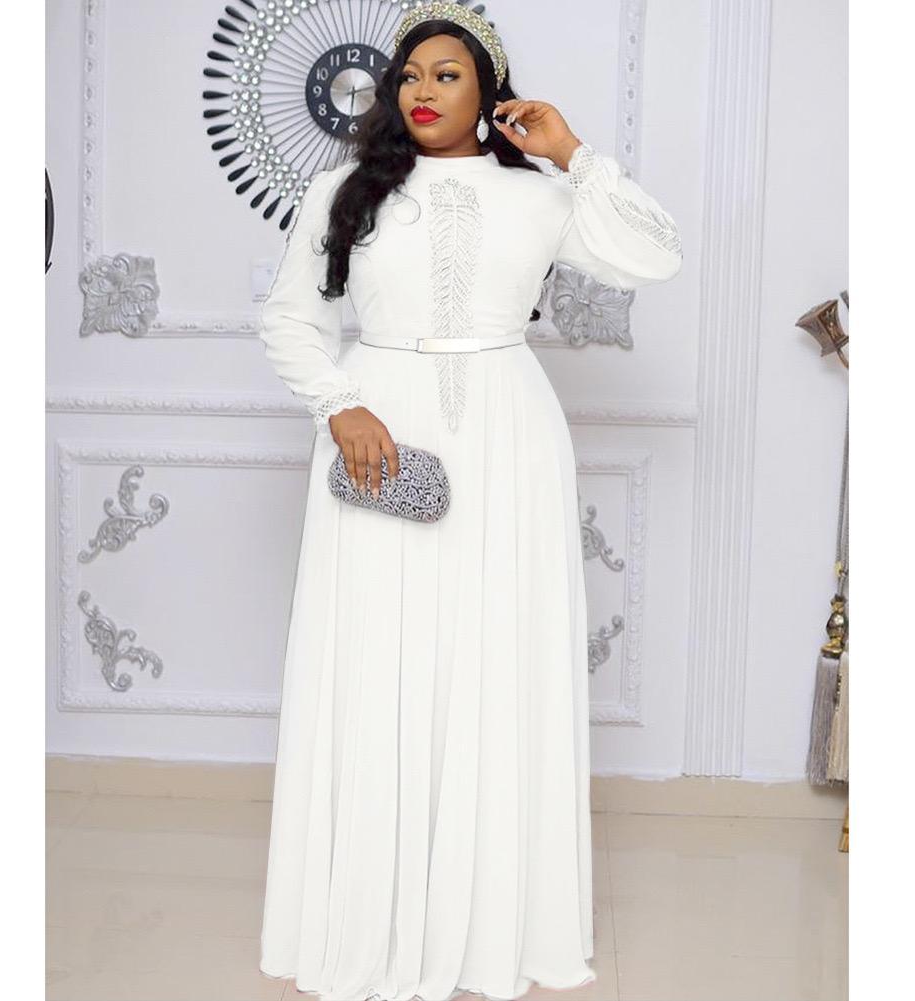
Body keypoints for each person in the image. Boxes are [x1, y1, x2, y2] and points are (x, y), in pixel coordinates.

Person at [257, 4, 683, 1000]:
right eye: (409, 74)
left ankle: (490, 926)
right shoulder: (341, 191)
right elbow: (287, 320)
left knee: (495, 656)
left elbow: (655, 254)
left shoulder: (539, 195)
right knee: (377, 655)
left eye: (447, 75)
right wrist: (337, 404)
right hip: (379, 435)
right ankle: (372, 925)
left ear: (488, 93)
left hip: (507, 439)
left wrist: (573, 153)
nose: (422, 90)